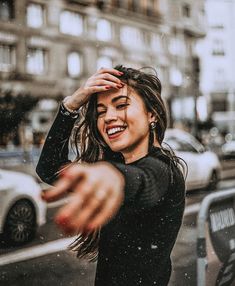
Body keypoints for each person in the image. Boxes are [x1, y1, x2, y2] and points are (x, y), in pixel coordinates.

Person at [36, 65, 186, 286]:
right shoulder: (112, 163)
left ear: (151, 114)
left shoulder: (165, 170)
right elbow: (48, 168)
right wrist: (72, 104)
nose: (108, 118)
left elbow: (144, 179)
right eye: (101, 111)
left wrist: (114, 179)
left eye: (121, 105)